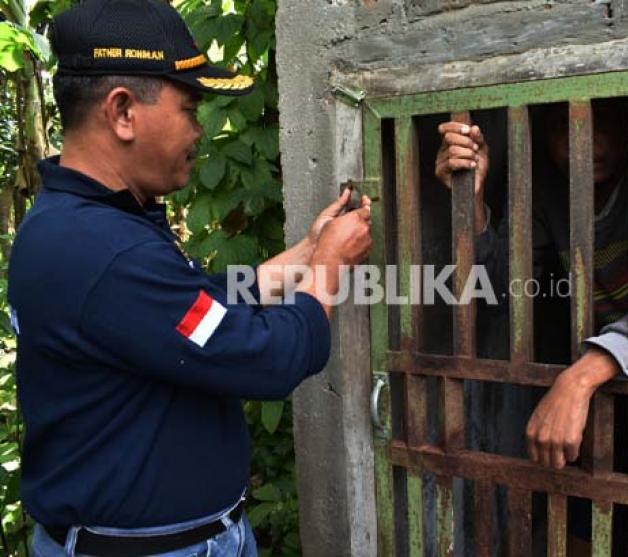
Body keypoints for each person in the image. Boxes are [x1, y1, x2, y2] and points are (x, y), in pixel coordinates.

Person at [7, 0, 371, 555]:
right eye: (190, 108)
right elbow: (262, 357)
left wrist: (305, 252)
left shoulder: (82, 227)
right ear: (123, 111)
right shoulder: (108, 252)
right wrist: (324, 275)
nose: (199, 131)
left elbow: (192, 312)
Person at [434, 101, 628, 467]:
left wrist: (577, 380)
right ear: (544, 135)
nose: (588, 141)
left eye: (605, 120)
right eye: (564, 126)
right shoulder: (545, 188)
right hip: (590, 362)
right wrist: (472, 199)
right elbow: (501, 293)